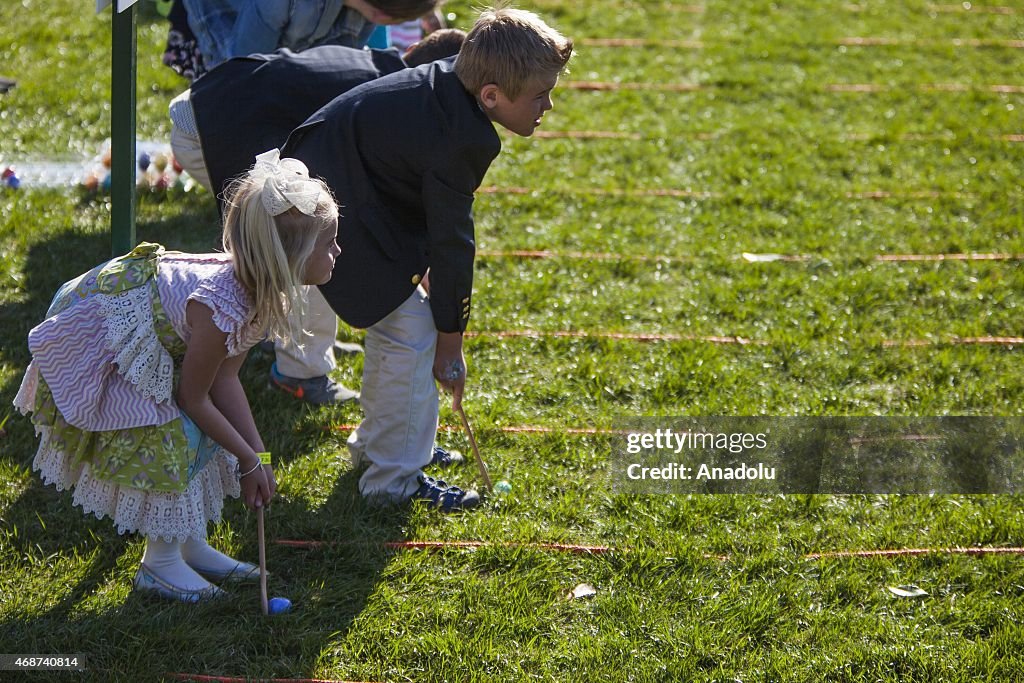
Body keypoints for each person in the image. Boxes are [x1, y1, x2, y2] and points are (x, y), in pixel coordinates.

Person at [13, 150, 340, 602]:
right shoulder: (218, 304)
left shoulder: (259, 294)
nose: (337, 252)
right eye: (328, 243)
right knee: (173, 429)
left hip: (155, 341)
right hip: (100, 344)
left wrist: (257, 455)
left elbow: (224, 383)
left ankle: (187, 544)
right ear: (290, 257)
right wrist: (245, 460)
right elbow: (193, 397)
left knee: (206, 431)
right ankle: (160, 564)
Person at [281, 6, 573, 511]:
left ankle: (383, 446)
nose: (548, 104)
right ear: (492, 96)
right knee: (411, 331)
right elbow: (453, 243)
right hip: (316, 211)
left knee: (403, 325)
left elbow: (436, 226)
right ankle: (392, 479)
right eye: (540, 95)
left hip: (339, 193)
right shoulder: (465, 135)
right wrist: (449, 343)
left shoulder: (449, 89)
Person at [169, 29, 466, 404]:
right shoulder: (393, 102)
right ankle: (299, 370)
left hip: (210, 104)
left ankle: (285, 336)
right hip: (207, 125)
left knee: (322, 238)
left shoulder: (385, 71)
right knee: (309, 243)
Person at [181, 0, 440, 77]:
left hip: (277, 51)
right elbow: (242, 65)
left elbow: (330, 67)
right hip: (227, 22)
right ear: (383, 14)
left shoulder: (363, 14)